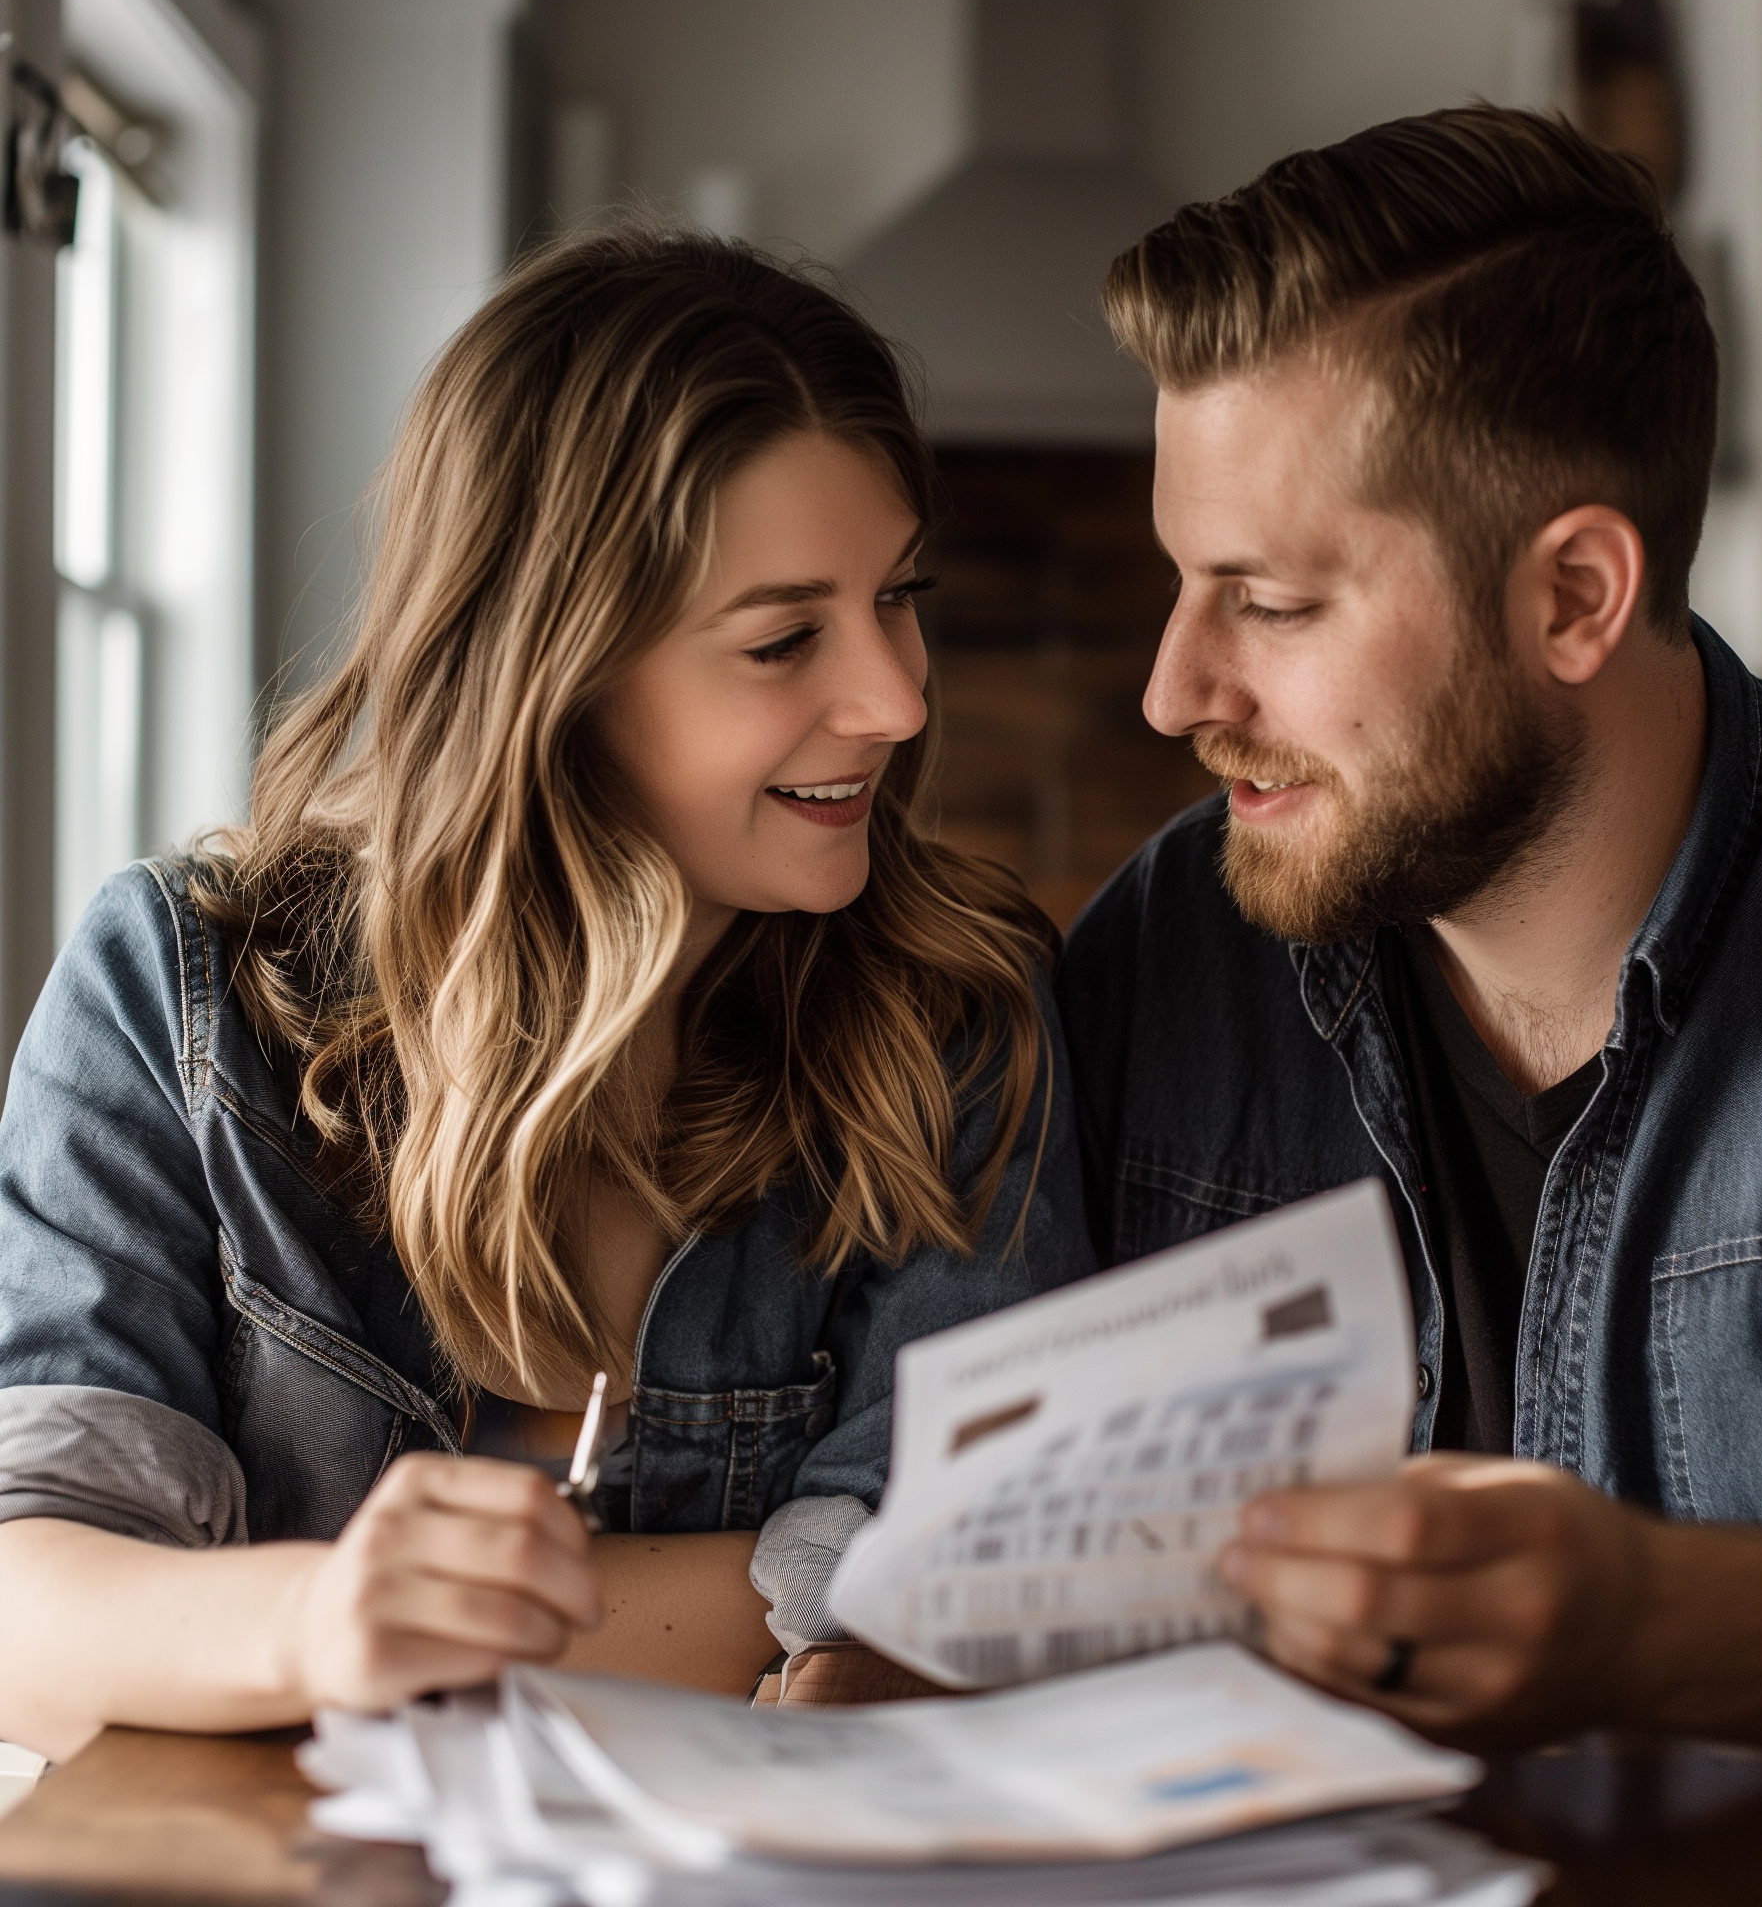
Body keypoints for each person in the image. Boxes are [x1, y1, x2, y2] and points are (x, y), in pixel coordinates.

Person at [0, 228, 1091, 1760]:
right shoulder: (179, 994)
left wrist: (239, 1625)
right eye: (785, 638)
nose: (898, 700)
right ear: (552, 669)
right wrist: (323, 1623)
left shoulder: (958, 1013)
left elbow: (935, 1602)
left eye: (899, 596)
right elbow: (24, 1616)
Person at [1059, 107, 1762, 1756]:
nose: (1176, 692)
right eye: (1182, 583)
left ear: (1576, 596)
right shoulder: (1167, 958)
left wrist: (1649, 1625)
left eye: (1275, 603)